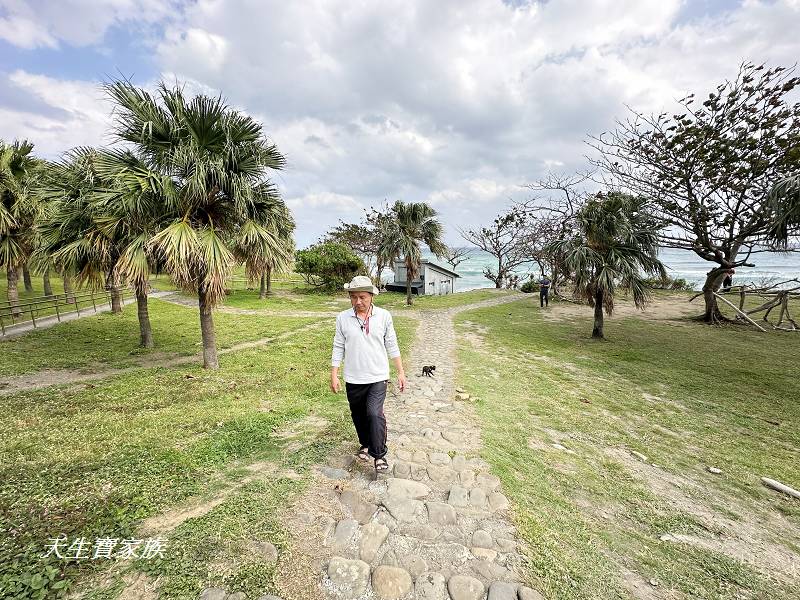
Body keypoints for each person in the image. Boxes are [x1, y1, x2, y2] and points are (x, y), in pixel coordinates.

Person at [331, 275, 406, 473]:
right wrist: (334, 373)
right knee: (358, 415)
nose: (358, 302)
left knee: (374, 414)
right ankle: (365, 443)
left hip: (378, 376)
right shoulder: (343, 318)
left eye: (362, 297)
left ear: (372, 296)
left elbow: (392, 344)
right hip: (353, 377)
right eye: (353, 297)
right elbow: (339, 346)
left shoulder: (384, 316)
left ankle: (379, 454)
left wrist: (400, 372)